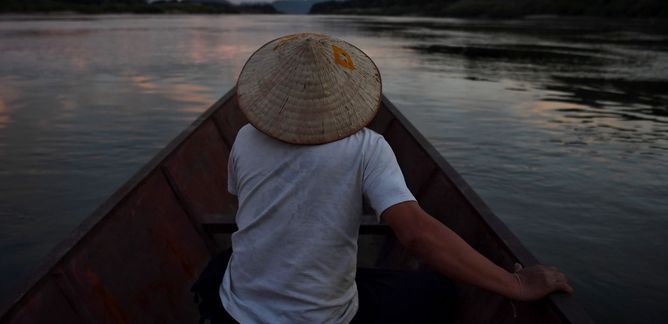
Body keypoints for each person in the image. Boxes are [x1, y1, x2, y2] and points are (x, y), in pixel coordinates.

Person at [192, 32, 573, 323]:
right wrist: (516, 285)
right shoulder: (368, 146)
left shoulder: (244, 137)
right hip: (325, 318)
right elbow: (415, 234)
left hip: (237, 312)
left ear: (272, 91)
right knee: (437, 290)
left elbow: (246, 203)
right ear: (345, 94)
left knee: (224, 261)